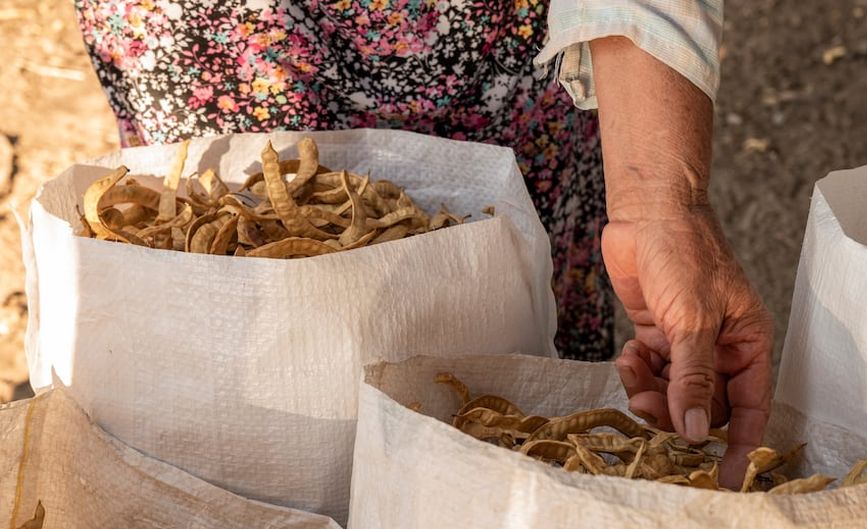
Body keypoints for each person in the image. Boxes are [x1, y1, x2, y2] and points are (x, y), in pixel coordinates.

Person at [74, 0, 772, 485]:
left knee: (487, 415)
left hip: (477, 55)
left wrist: (660, 202)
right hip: (207, 42)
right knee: (223, 331)